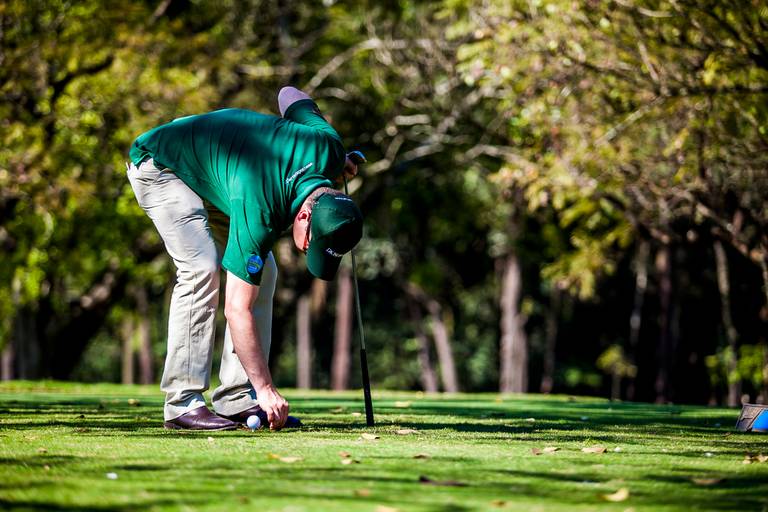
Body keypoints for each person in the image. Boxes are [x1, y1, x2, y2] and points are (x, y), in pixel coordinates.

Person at [126, 86, 363, 431]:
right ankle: (182, 403)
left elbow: (289, 95)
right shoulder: (261, 208)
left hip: (217, 175)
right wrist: (267, 388)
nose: (305, 250)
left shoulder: (329, 147)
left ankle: (236, 397)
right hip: (162, 164)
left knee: (263, 273)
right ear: (303, 216)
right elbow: (236, 309)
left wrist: (339, 161)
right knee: (200, 268)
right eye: (311, 243)